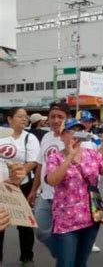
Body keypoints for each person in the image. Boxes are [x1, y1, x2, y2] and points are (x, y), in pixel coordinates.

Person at [45, 118, 103, 267]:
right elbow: (52, 181)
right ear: (62, 135)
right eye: (71, 131)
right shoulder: (55, 157)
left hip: (91, 216)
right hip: (66, 221)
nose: (76, 135)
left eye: (80, 131)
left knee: (81, 262)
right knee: (66, 263)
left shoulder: (92, 154)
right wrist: (69, 156)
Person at [29, 101, 70, 257]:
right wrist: (34, 190)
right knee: (40, 230)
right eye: (52, 116)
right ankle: (62, 254)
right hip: (46, 196)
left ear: (68, 118)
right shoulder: (46, 136)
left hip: (67, 198)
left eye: (60, 116)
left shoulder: (73, 138)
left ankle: (67, 256)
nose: (55, 120)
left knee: (66, 235)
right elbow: (41, 165)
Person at [0, 107, 40, 266]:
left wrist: (16, 177)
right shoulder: (1, 135)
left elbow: (32, 162)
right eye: (20, 116)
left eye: (26, 117)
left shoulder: (29, 138)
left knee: (24, 224)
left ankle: (27, 257)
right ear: (9, 119)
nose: (24, 119)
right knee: (1, 224)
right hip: (0, 187)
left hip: (21, 186)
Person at [79, 110, 103, 253]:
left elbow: (100, 154)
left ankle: (90, 242)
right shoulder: (73, 137)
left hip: (93, 182)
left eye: (89, 121)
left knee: (92, 210)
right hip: (75, 182)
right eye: (84, 120)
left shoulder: (94, 138)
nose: (87, 123)